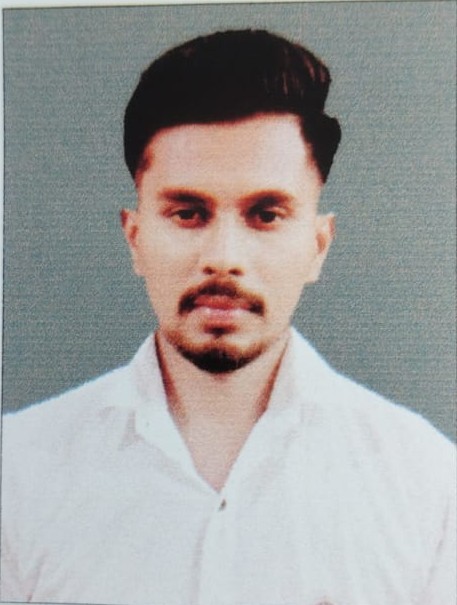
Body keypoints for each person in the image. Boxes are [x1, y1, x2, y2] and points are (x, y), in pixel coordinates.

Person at [1, 29, 455, 605]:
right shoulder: (18, 473)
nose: (223, 257)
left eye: (266, 215)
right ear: (135, 238)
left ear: (318, 245)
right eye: (188, 213)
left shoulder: (427, 484)